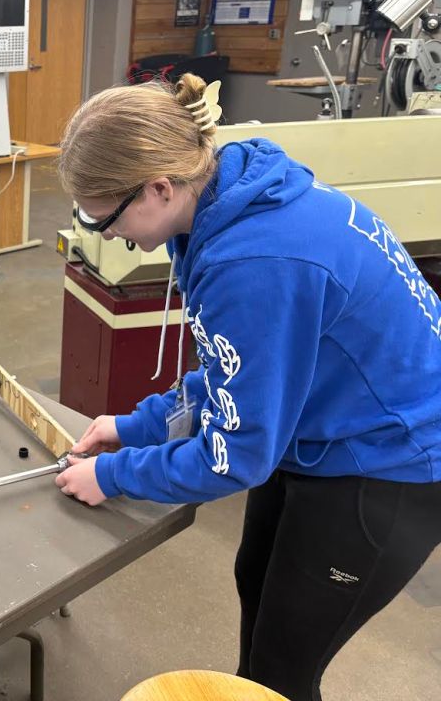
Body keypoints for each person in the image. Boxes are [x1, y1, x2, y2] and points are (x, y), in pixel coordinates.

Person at [53, 73, 441, 701]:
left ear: (158, 186)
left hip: (393, 467)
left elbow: (236, 456)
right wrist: (132, 427)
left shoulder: (254, 262)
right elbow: (230, 374)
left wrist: (115, 476)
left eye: (105, 220)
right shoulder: (222, 199)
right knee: (256, 588)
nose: (105, 236)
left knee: (281, 671)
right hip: (316, 433)